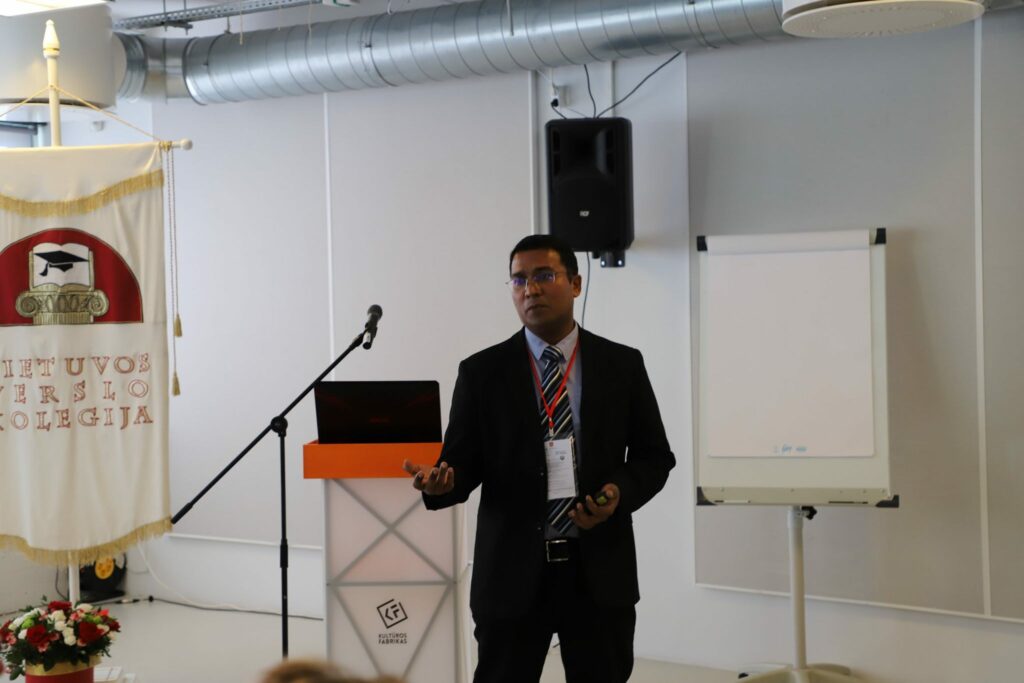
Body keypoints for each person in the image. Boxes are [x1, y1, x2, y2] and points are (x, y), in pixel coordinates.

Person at [403, 234, 675, 683]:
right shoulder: (481, 373)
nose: (530, 289)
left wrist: (617, 493)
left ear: (576, 284)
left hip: (598, 572)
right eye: (519, 280)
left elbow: (654, 457)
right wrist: (442, 483)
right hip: (511, 574)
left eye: (544, 275)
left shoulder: (622, 365)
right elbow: (460, 463)